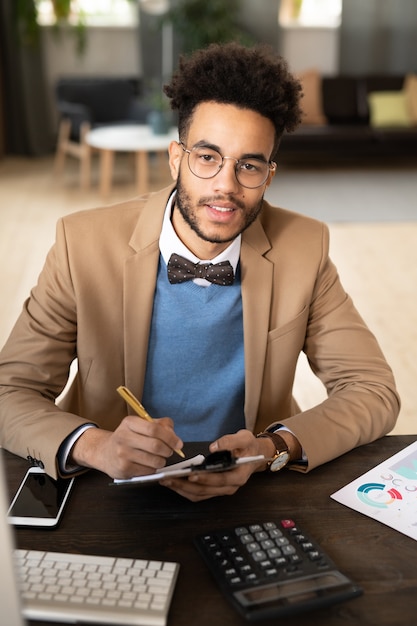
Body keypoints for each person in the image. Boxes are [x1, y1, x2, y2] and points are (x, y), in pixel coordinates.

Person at [0, 43, 399, 502]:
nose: (225, 186)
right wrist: (98, 446)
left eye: (248, 165)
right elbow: (11, 391)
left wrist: (271, 449)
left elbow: (373, 390)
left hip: (250, 486)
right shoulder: (81, 244)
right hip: (106, 487)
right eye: (207, 157)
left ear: (268, 176)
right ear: (176, 159)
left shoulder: (305, 248)